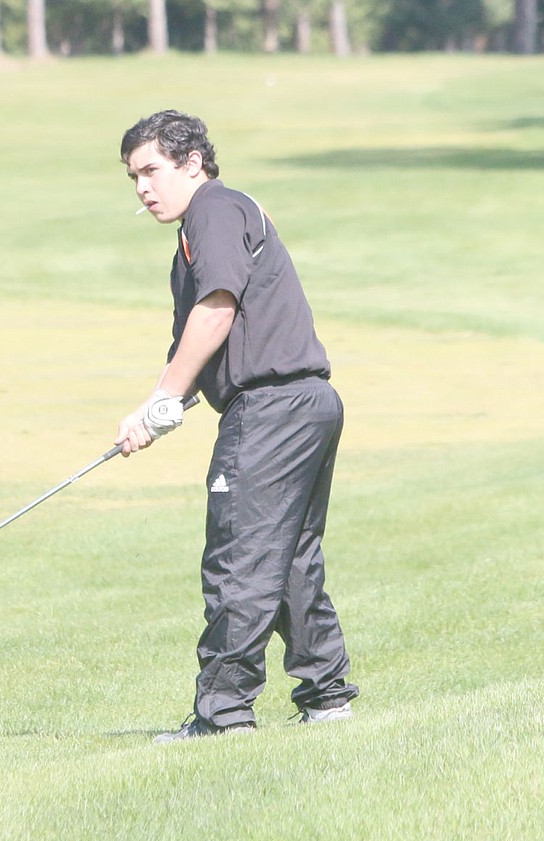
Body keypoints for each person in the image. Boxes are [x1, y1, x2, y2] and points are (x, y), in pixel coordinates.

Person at [114, 110, 359, 741]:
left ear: (192, 163)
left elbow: (217, 308)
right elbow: (211, 343)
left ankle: (222, 716)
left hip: (273, 412)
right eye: (133, 176)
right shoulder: (223, 215)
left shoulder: (213, 212)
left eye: (151, 171)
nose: (142, 188)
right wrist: (160, 412)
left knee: (239, 559)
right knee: (289, 557)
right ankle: (327, 699)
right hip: (306, 404)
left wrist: (161, 398)